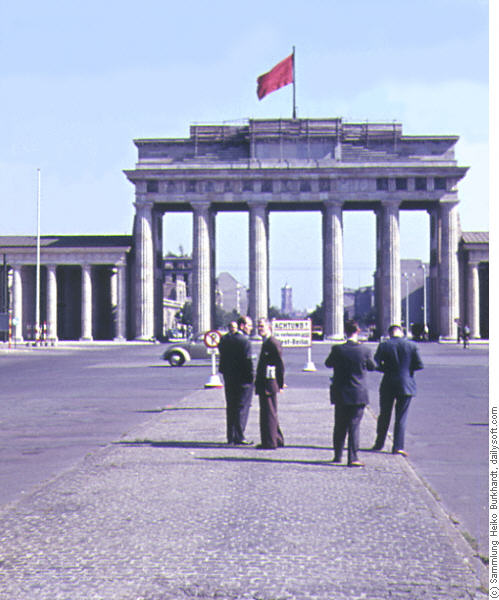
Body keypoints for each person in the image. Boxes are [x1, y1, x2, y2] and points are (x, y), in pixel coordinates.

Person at [325, 320, 376, 467]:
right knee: (354, 425)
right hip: (358, 393)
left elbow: (328, 363)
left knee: (339, 425)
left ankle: (337, 455)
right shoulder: (365, 350)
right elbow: (372, 367)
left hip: (340, 392)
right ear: (358, 331)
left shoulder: (337, 349)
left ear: (345, 331)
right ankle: (353, 457)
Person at [371, 324, 424, 457]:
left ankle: (379, 443)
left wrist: (386, 369)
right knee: (401, 417)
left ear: (390, 333)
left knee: (384, 415)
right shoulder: (412, 345)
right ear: (401, 332)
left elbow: (375, 364)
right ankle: (398, 447)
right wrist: (407, 371)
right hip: (406, 384)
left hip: (388, 383)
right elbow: (419, 365)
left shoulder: (384, 345)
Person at [218, 316, 254, 445]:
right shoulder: (245, 341)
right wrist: (252, 378)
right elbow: (248, 362)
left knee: (231, 407)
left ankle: (230, 436)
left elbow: (222, 357)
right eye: (249, 325)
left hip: (229, 378)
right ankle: (240, 436)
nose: (251, 328)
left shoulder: (225, 340)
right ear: (243, 326)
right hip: (244, 380)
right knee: (242, 408)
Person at [254, 318, 285, 449]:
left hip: (268, 383)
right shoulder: (267, 342)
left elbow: (279, 364)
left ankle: (270, 442)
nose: (259, 329)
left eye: (262, 326)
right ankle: (277, 439)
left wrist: (280, 383)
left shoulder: (272, 343)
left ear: (269, 327)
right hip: (267, 382)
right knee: (270, 411)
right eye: (258, 326)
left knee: (268, 412)